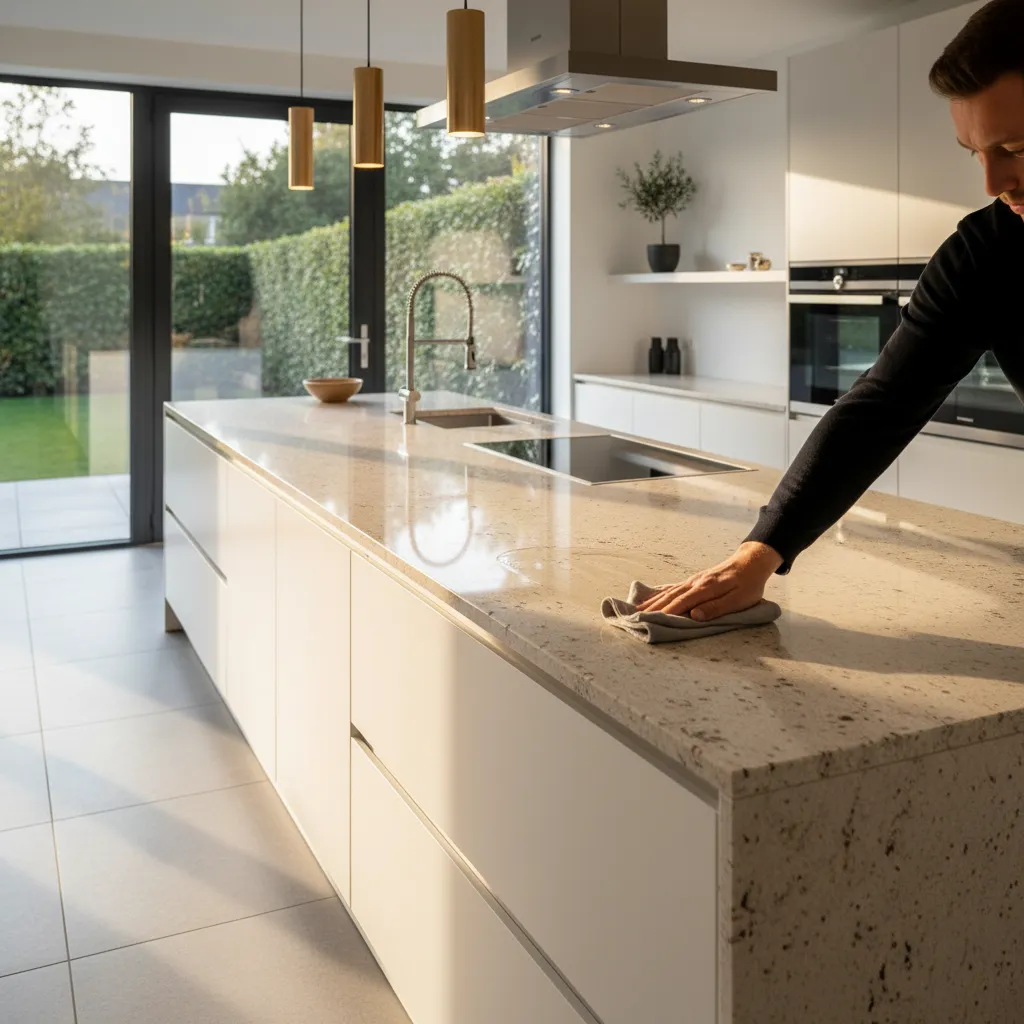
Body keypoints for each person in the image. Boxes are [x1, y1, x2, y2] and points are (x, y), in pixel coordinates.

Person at [639, 0, 1024, 621]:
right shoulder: (987, 254)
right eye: (973, 153)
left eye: (1017, 148)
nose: (993, 183)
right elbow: (880, 407)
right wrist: (760, 551)